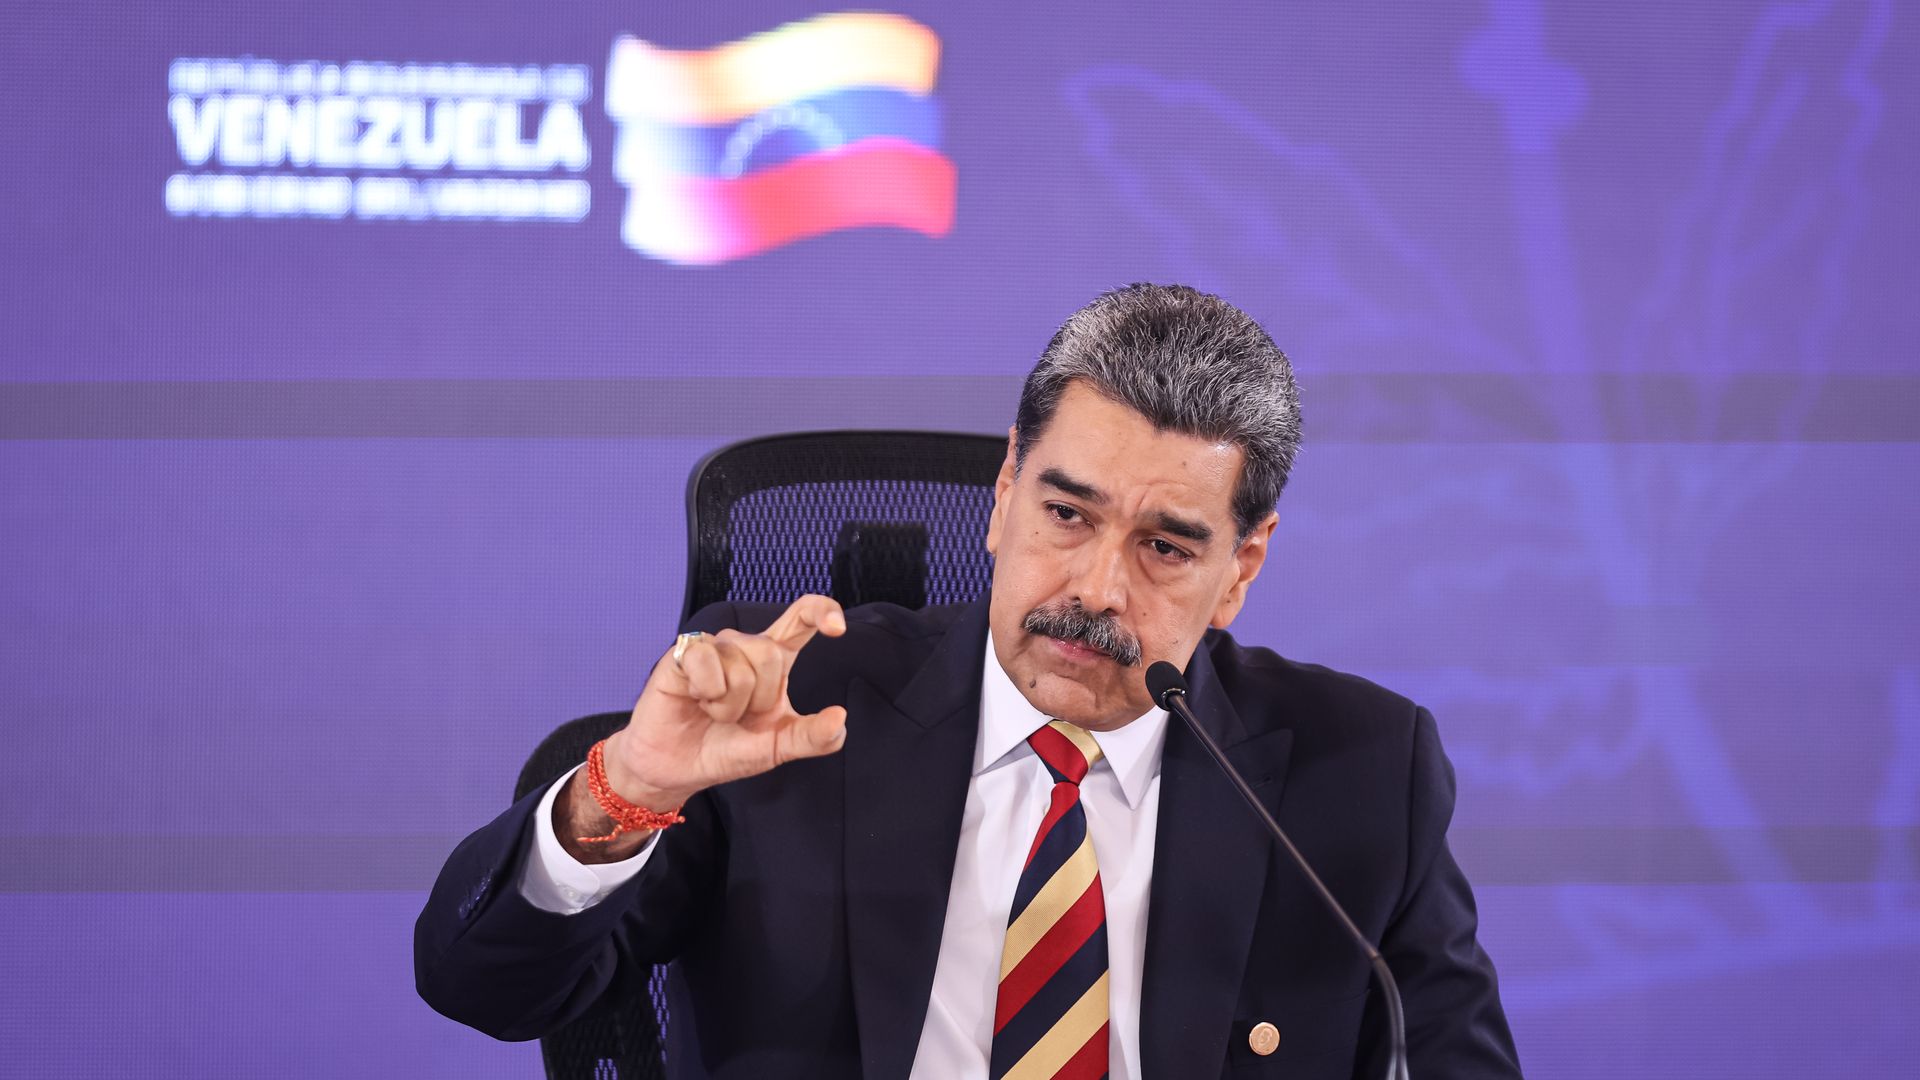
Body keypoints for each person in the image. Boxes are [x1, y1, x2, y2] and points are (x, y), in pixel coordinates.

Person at [415, 284, 1523, 1079]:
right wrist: (624, 791)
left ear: (1242, 569)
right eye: (1066, 513)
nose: (1096, 587)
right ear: (1003, 491)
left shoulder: (1361, 770)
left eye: (1167, 548)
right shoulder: (793, 703)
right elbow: (483, 987)